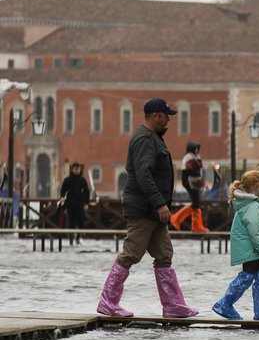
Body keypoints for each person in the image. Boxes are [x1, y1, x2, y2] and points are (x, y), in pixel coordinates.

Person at [96, 97, 197, 318]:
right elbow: (143, 174)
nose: (168, 120)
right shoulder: (144, 139)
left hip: (153, 210)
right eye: (166, 116)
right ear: (155, 116)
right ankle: (108, 302)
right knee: (131, 253)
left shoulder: (153, 138)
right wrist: (159, 202)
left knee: (164, 255)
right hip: (144, 208)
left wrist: (159, 205)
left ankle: (173, 306)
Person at [211, 170, 259, 321]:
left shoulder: (248, 203)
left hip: (250, 247)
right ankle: (225, 303)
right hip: (251, 247)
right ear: (256, 186)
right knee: (247, 275)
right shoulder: (252, 206)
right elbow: (254, 231)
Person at [169, 141, 209, 233]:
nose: (197, 150)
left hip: (194, 182)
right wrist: (198, 172)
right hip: (189, 182)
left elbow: (198, 168)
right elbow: (190, 169)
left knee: (196, 203)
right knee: (195, 203)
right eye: (195, 148)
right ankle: (176, 218)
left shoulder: (195, 157)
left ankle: (196, 226)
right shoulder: (189, 157)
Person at [59, 162, 90, 243]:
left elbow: (87, 192)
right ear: (72, 169)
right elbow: (63, 190)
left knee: (81, 221)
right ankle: (71, 239)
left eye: (79, 169)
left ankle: (78, 238)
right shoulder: (67, 180)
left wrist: (86, 203)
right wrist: (62, 197)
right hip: (70, 203)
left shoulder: (82, 180)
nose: (77, 170)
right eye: (76, 169)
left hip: (80, 203)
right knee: (71, 222)